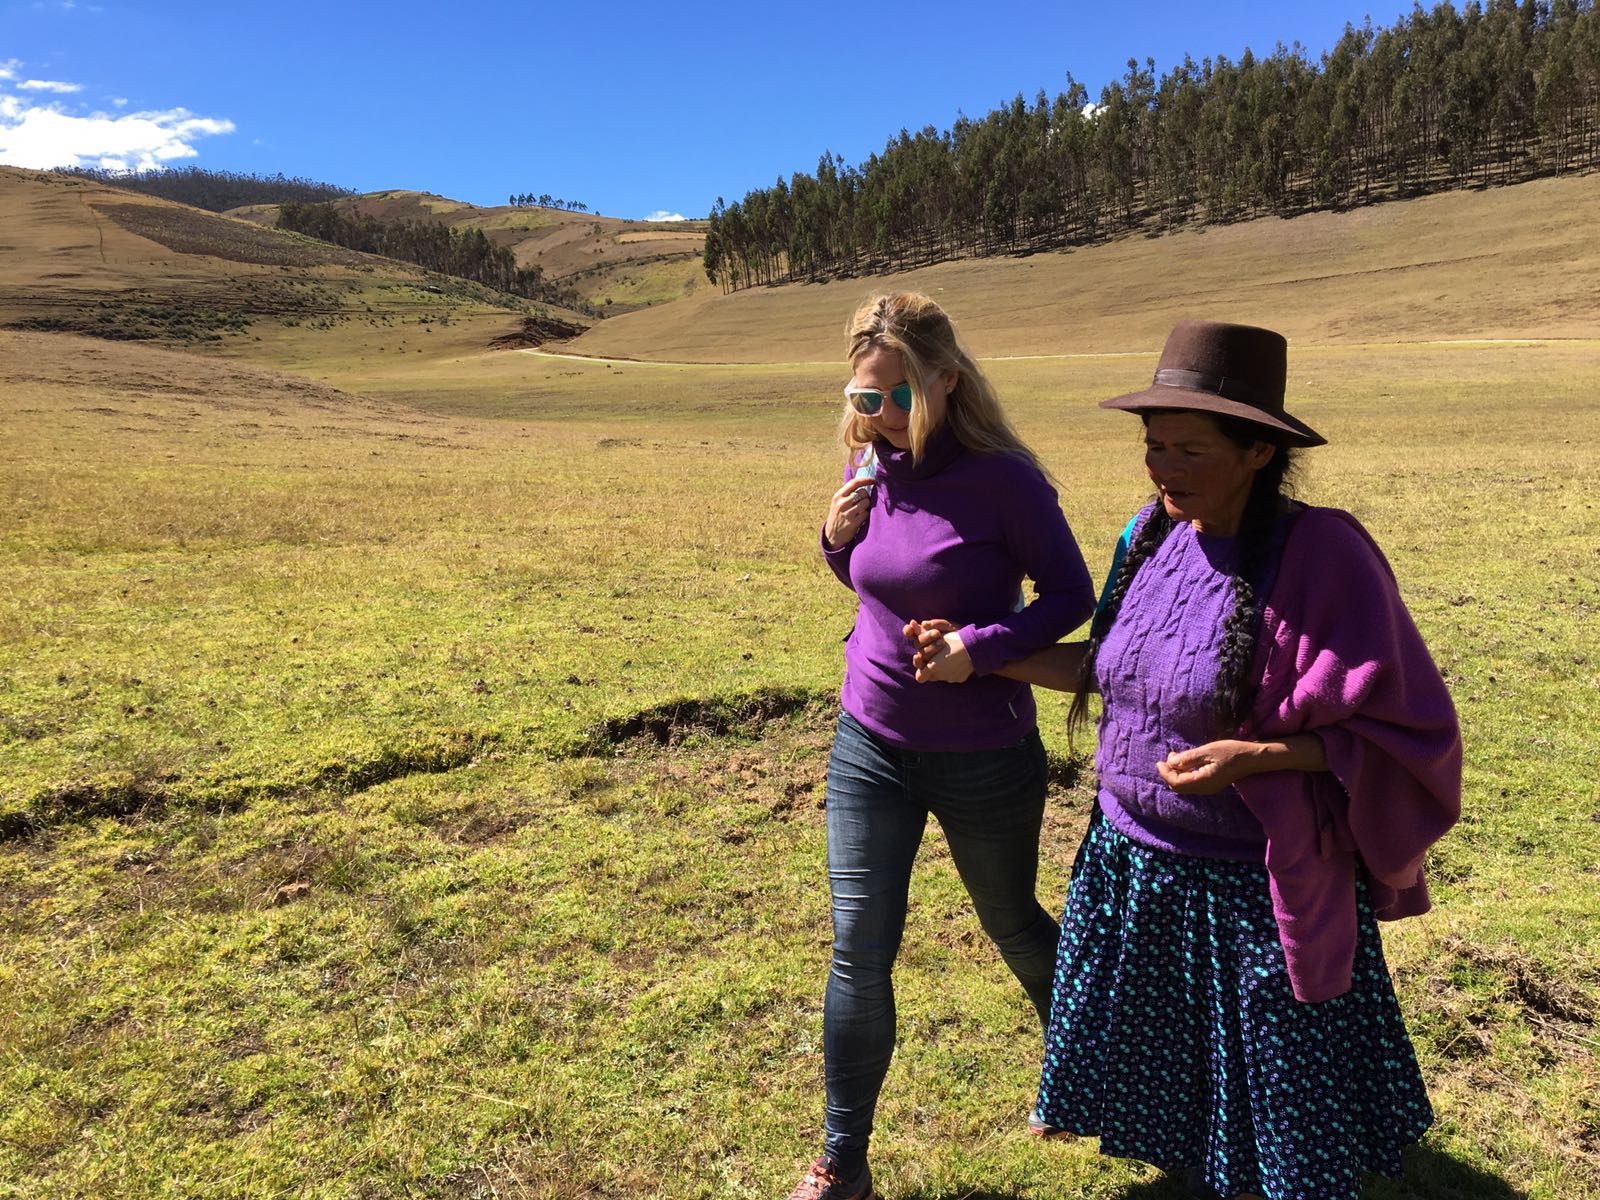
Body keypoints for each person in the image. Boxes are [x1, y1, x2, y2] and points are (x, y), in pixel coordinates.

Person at [908, 319, 1462, 1200]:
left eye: (1190, 451)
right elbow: (1109, 665)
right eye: (1154, 446)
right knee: (1178, 1080)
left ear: (1258, 453)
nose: (1163, 468)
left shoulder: (1324, 554)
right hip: (1132, 864)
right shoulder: (1150, 535)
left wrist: (1260, 755)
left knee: (1281, 1103)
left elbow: (1405, 728)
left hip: (1251, 887)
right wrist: (979, 653)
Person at [788, 292, 1096, 1200]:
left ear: (947, 381)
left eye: (897, 396)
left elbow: (1071, 596)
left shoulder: (1005, 480)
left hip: (984, 754)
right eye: (864, 397)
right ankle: (842, 1162)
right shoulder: (869, 462)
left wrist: (981, 649)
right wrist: (833, 541)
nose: (879, 415)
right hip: (869, 743)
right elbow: (874, 577)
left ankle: (1080, 1073)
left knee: (1012, 923)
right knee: (858, 948)